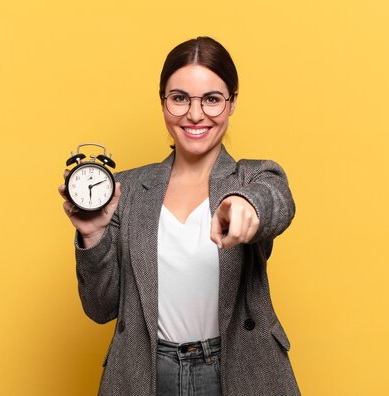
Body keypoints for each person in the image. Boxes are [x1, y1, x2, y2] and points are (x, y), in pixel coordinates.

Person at [58, 36, 300, 396]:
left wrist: (247, 206)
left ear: (232, 103)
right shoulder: (126, 190)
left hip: (236, 369)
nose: (195, 114)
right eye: (180, 98)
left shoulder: (252, 178)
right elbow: (100, 308)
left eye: (212, 100)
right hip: (149, 372)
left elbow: (275, 201)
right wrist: (93, 236)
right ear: (163, 102)